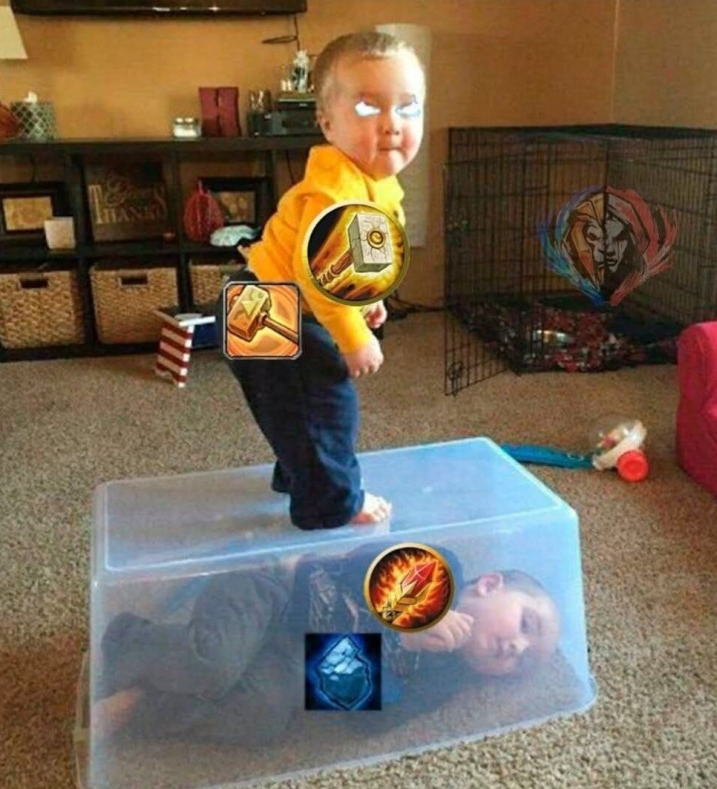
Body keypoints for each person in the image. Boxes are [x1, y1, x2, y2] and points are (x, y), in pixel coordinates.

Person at [217, 31, 426, 531]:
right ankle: (331, 506)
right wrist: (353, 337)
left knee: (293, 405)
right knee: (326, 406)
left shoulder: (374, 182)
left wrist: (367, 301)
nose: (392, 124)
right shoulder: (336, 190)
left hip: (267, 298)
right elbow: (320, 278)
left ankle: (300, 473)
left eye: (408, 107)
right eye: (368, 107)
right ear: (327, 123)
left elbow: (357, 261)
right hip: (266, 304)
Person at [93, 545, 561, 744]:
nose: (517, 648)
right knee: (212, 661)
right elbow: (360, 562)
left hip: (296, 657)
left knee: (262, 719)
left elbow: (368, 722)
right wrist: (410, 620)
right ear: (489, 584)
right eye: (526, 624)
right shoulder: (442, 570)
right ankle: (130, 641)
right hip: (275, 589)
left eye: (523, 661)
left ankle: (142, 705)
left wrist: (402, 657)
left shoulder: (441, 679)